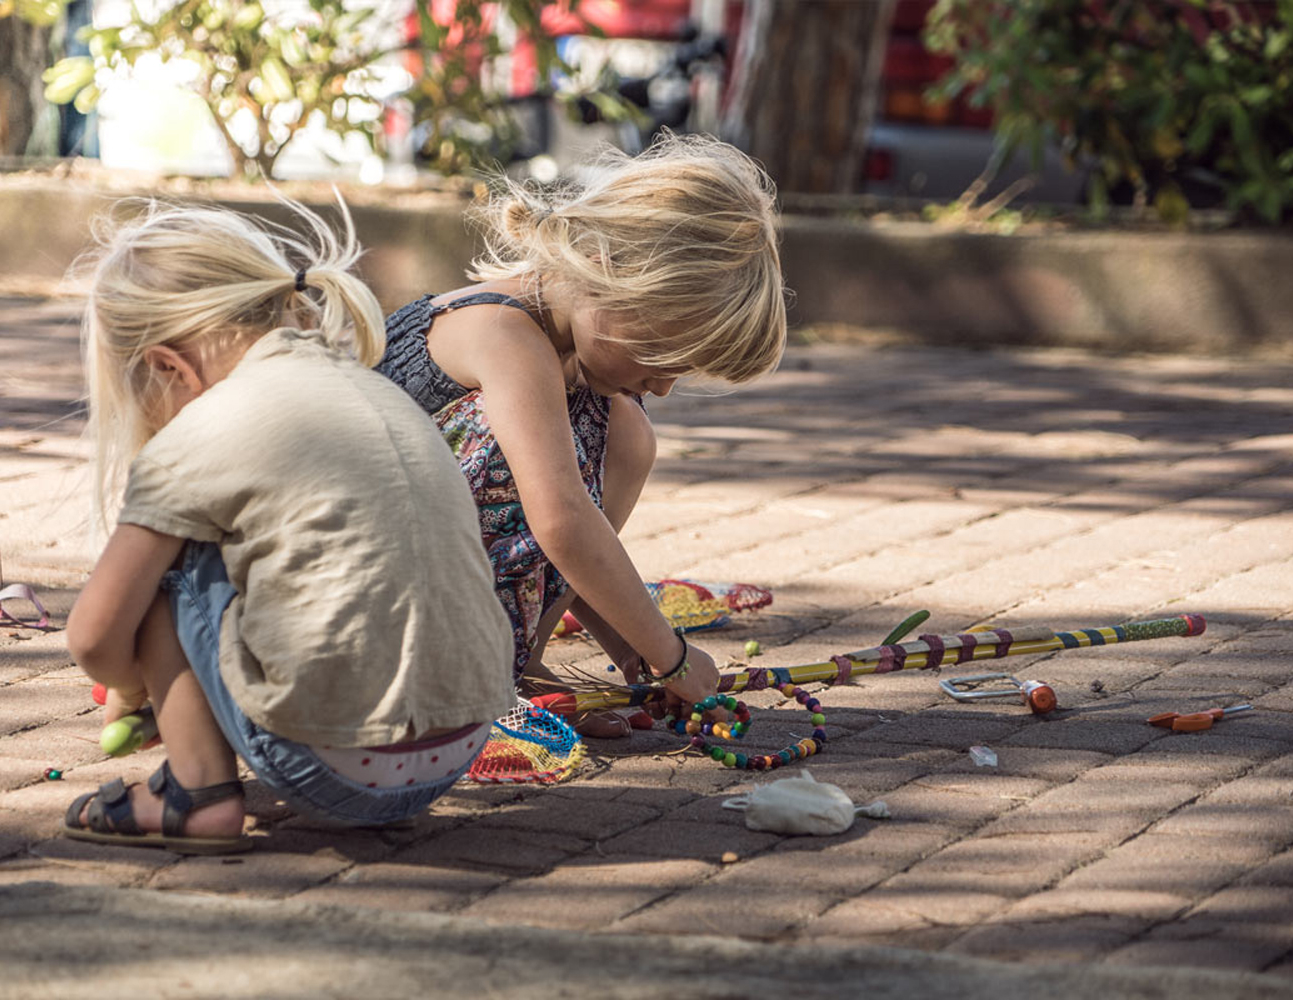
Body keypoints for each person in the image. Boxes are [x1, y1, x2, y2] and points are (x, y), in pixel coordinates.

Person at [63, 200, 514, 854]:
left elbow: (93, 634)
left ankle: (198, 795)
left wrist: (138, 689)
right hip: (457, 748)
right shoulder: (371, 388)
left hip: (331, 764)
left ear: (166, 365)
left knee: (170, 564)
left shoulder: (196, 433)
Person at [376, 132, 787, 736]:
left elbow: (576, 542)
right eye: (660, 356)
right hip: (370, 599)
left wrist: (638, 656)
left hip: (438, 583)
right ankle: (458, 682)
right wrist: (672, 655)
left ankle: (512, 668)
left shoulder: (586, 382)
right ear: (607, 271)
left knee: (628, 437)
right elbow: (561, 520)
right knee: (561, 469)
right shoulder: (503, 333)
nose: (664, 387)